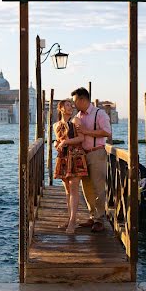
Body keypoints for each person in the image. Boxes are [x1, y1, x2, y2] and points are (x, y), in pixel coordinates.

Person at [71, 86, 112, 232]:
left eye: (75, 101)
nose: (74, 104)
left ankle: (99, 219)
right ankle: (92, 215)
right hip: (82, 154)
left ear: (83, 99)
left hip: (96, 152)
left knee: (98, 187)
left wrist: (87, 132)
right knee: (86, 186)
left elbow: (107, 132)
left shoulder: (99, 114)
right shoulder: (79, 116)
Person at [53, 99, 88, 233]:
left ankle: (73, 221)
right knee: (67, 190)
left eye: (71, 105)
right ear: (61, 108)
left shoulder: (76, 121)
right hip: (63, 157)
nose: (71, 107)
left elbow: (81, 138)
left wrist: (66, 142)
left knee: (74, 188)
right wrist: (57, 144)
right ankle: (70, 219)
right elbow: (57, 140)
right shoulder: (56, 125)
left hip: (76, 156)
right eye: (68, 105)